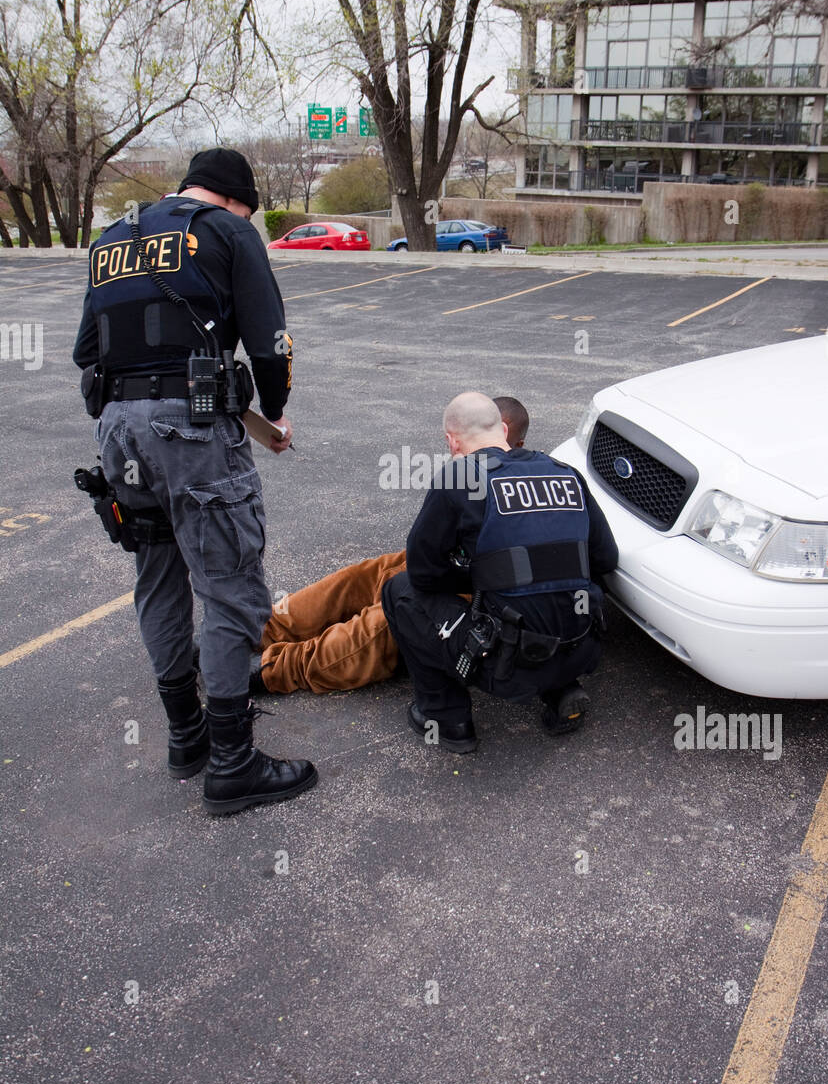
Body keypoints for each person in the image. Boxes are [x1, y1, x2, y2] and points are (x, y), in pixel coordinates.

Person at [73, 148, 316, 815]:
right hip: (190, 428)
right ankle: (233, 764)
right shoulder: (230, 232)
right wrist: (275, 409)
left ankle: (188, 737)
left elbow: (86, 354)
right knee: (231, 580)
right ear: (238, 201)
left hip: (117, 428)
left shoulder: (113, 239)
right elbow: (270, 341)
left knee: (156, 573)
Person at [380, 391, 618, 753]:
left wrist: (482, 578)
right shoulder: (565, 473)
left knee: (400, 590)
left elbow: (424, 573)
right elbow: (605, 559)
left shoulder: (460, 477)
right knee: (551, 591)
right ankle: (562, 690)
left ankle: (447, 720)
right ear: (504, 430)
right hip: (581, 645)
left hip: (509, 663)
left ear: (452, 440)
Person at [253, 397, 530, 696]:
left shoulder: (505, 481)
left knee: (393, 606)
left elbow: (428, 576)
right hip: (469, 572)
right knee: (370, 573)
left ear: (508, 437)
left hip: (492, 600)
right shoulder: (504, 476)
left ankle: (279, 669)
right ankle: (262, 629)